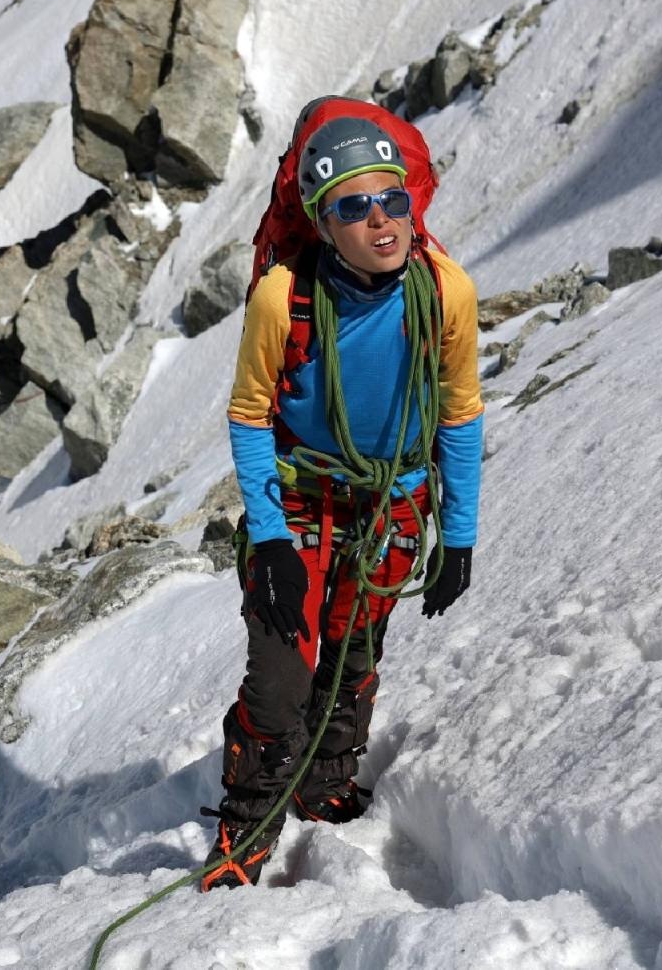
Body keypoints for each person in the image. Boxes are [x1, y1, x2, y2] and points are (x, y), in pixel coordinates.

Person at [200, 104, 484, 891]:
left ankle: (325, 782)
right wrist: (272, 542)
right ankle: (245, 827)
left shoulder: (443, 290)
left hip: (390, 506)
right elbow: (251, 415)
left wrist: (457, 533)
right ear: (323, 222)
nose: (381, 221)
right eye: (353, 207)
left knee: (355, 651)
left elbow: (459, 412)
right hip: (299, 502)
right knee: (281, 673)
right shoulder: (282, 298)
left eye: (393, 199)